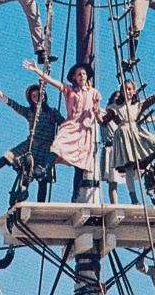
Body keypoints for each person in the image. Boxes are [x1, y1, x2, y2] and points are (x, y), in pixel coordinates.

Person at [0, 82, 64, 204]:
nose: (36, 98)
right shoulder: (29, 112)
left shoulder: (52, 112)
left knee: (43, 178)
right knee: (7, 157)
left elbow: (65, 125)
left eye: (38, 95)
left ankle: (41, 205)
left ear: (44, 96)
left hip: (46, 149)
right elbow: (13, 104)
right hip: (30, 146)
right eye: (33, 96)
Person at [24, 60, 102, 201]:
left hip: (85, 131)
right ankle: (44, 169)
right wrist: (37, 70)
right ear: (74, 77)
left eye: (84, 74)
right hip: (71, 126)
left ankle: (75, 194)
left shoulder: (94, 93)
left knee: (80, 163)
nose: (82, 76)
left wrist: (96, 111)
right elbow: (53, 82)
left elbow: (98, 115)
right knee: (57, 147)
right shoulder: (69, 90)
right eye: (79, 74)